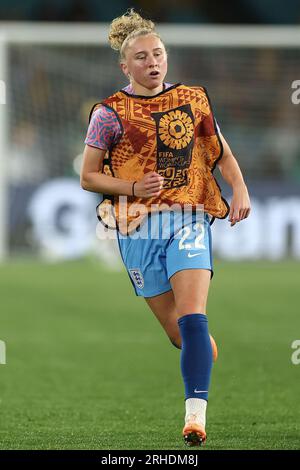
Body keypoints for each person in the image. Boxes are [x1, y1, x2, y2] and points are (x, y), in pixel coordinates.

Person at [80, 9, 251, 446]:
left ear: (167, 57)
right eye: (141, 57)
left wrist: (241, 190)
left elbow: (221, 153)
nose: (152, 62)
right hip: (136, 228)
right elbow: (89, 177)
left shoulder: (193, 100)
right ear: (125, 66)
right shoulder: (109, 113)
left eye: (158, 54)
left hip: (188, 219)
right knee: (181, 334)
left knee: (194, 316)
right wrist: (134, 185)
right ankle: (197, 349)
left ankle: (195, 418)